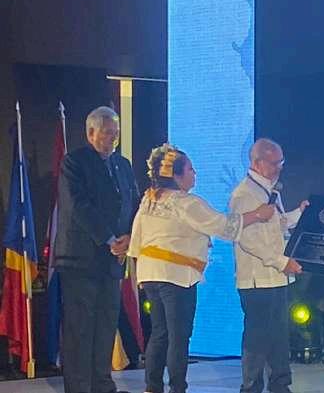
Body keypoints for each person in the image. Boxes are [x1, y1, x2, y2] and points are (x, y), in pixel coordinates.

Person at [127, 144, 275, 393]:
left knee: (160, 333)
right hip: (176, 275)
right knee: (178, 335)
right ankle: (177, 388)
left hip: (150, 273)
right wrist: (257, 215)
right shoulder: (186, 202)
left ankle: (152, 387)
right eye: (190, 169)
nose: (194, 174)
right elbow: (222, 225)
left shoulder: (150, 199)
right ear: (176, 175)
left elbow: (136, 238)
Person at [54, 106, 140, 393]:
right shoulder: (74, 162)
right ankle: (79, 388)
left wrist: (129, 237)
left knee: (105, 326)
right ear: (91, 133)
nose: (113, 138)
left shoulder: (123, 165)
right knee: (80, 330)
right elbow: (79, 206)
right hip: (80, 261)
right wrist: (109, 239)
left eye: (116, 133)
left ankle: (103, 385)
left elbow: (134, 203)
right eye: (107, 133)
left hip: (112, 262)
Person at [229, 138, 307, 393]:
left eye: (281, 162)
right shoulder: (243, 194)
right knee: (257, 337)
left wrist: (300, 213)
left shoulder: (270, 191)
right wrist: (282, 262)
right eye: (274, 163)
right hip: (257, 279)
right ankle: (251, 387)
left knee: (278, 335)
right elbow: (248, 239)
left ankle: (280, 385)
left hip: (275, 277)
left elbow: (278, 225)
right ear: (257, 162)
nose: (279, 168)